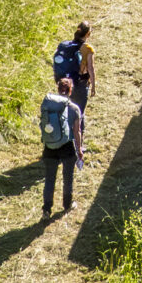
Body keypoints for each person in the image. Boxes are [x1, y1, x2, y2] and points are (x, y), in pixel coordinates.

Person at [39, 76, 84, 214]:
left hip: (50, 148)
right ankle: (67, 204)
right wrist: (79, 149)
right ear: (71, 91)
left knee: (50, 179)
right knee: (67, 177)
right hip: (67, 147)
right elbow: (77, 131)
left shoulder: (49, 105)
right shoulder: (74, 108)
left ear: (58, 89)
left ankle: (47, 209)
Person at [51, 23, 95, 110]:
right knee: (78, 112)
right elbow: (90, 68)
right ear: (88, 34)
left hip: (65, 83)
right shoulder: (87, 48)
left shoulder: (64, 45)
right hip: (80, 82)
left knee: (65, 110)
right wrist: (93, 85)